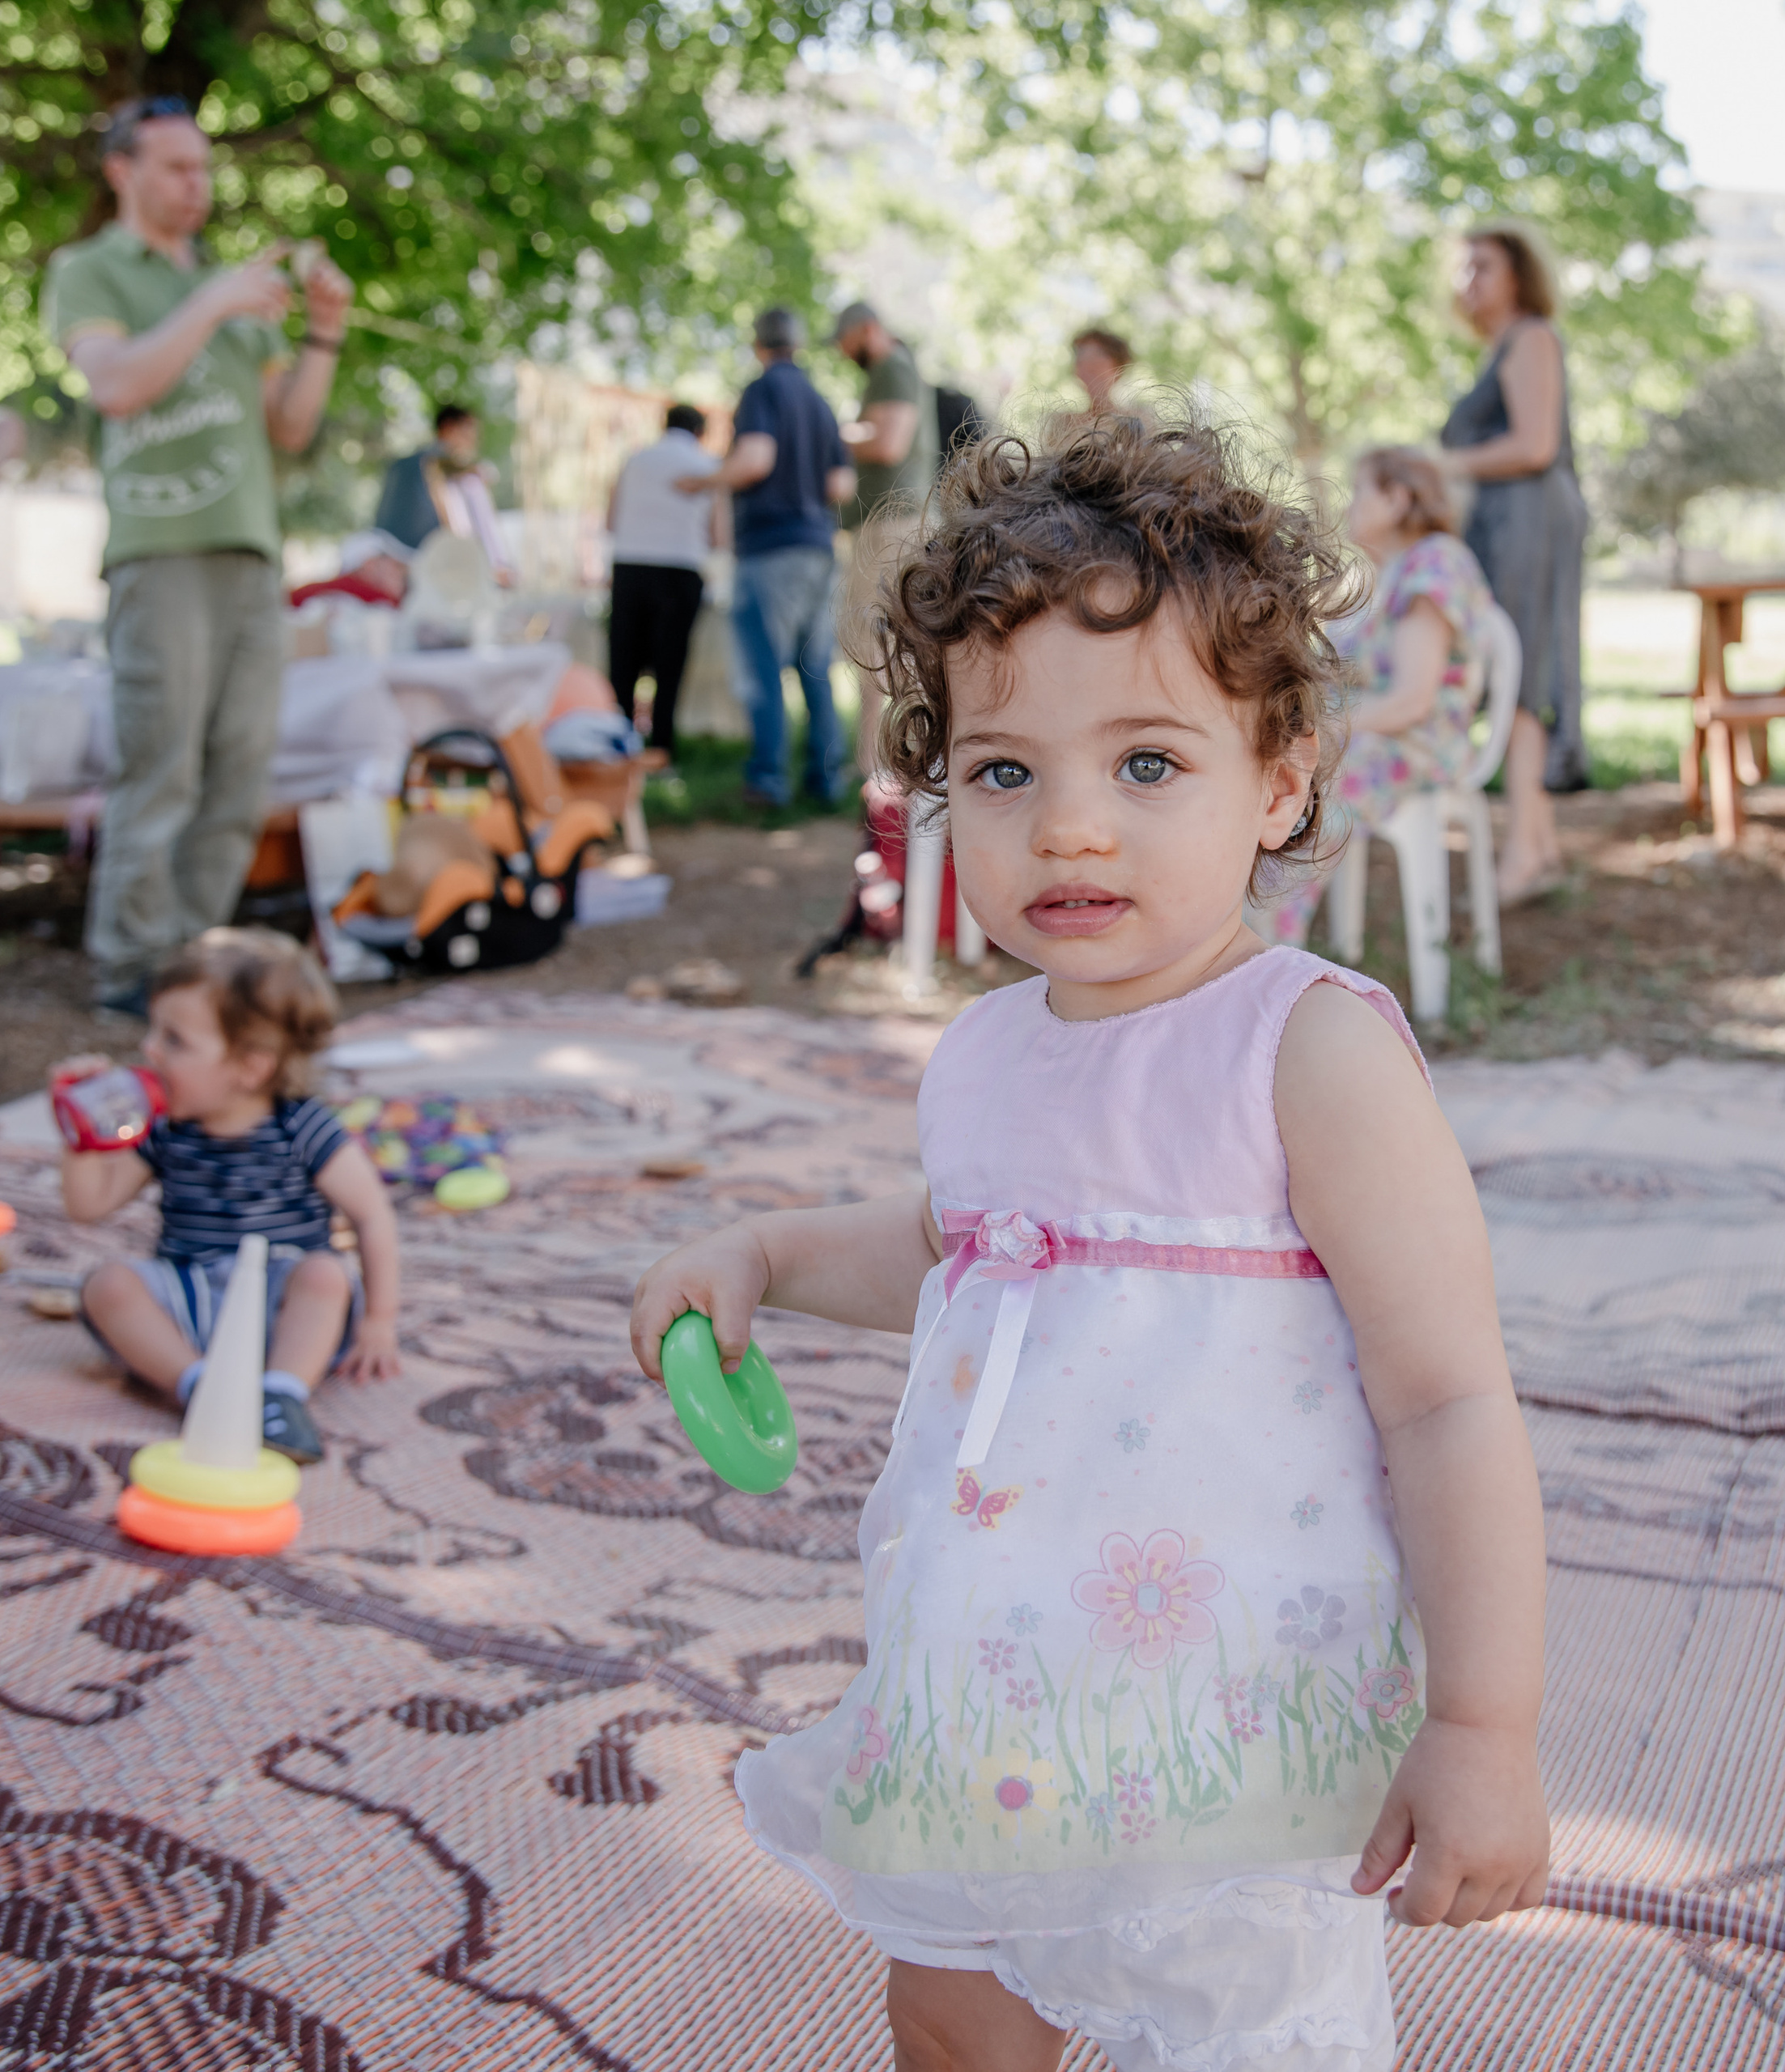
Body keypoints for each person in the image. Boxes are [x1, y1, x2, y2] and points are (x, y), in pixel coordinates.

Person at [629, 418, 1550, 2072]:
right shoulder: (989, 1050)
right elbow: (965, 1250)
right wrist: (767, 1251)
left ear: (1279, 781)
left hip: (1226, 1727)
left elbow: (1446, 1399)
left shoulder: (1306, 1049)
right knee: (948, 2014)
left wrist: (1481, 1722)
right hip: (990, 1695)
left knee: (1234, 2042)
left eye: (1144, 764)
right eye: (1004, 771)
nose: (1066, 826)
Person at [40, 95, 352, 1017]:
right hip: (159, 551)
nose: (197, 185)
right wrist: (210, 301)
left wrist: (323, 330)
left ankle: (194, 960)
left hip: (250, 553)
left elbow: (288, 426)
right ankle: (132, 966)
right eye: (177, 167)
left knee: (240, 769)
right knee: (162, 764)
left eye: (204, 167)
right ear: (122, 171)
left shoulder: (231, 288)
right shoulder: (91, 271)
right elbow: (117, 384)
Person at [50, 928, 401, 1468]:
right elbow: (88, 1206)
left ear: (250, 1066)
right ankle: (197, 1385)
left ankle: (281, 1395)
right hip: (191, 1301)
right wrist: (81, 1136)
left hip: (281, 1307)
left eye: (175, 1040)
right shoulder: (164, 1128)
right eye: (154, 1031)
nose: (150, 1050)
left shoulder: (302, 1126)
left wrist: (379, 1318)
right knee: (107, 1284)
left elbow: (372, 1215)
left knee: (325, 1274)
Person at [1266, 447, 1496, 953]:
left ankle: (1268, 943)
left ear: (1397, 499)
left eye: (1360, 490)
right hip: (1382, 738)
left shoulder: (1435, 562)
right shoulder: (1390, 574)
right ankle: (1254, 931)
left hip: (1416, 745)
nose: (1349, 506)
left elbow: (1412, 700)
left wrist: (1324, 729)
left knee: (1312, 775)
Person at [1439, 222, 1588, 903]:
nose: (1468, 280)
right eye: (1464, 267)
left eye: (1483, 267)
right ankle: (1542, 847)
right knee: (1517, 665)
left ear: (1519, 275)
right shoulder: (1501, 347)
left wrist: (1439, 466)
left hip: (1529, 523)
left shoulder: (1532, 338)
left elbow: (1534, 446)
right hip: (1504, 525)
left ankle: (1522, 854)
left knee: (1522, 672)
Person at [711, 308, 855, 808]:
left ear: (758, 345)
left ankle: (768, 781)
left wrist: (706, 479)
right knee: (816, 669)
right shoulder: (820, 400)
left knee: (762, 666)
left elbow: (755, 460)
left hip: (770, 547)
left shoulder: (761, 390)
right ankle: (826, 780)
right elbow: (841, 484)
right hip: (818, 546)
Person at [831, 300, 939, 773]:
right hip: (893, 523)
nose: (842, 351)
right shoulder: (897, 367)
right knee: (890, 649)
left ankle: (882, 773)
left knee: (880, 650)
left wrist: (833, 434)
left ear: (866, 330)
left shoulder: (892, 366)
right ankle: (886, 769)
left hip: (891, 527)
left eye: (844, 340)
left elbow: (888, 442)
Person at [606, 402, 725, 759]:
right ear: (700, 432)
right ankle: (661, 747)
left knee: (624, 661)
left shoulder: (634, 460)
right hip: (681, 568)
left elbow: (610, 520)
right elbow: (718, 535)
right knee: (669, 664)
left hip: (629, 565)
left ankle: (618, 745)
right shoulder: (709, 466)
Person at [374, 404, 515, 584]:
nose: (473, 442)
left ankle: (494, 565)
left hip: (390, 546)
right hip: (418, 553)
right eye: (468, 433)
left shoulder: (405, 464)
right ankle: (497, 565)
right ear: (448, 428)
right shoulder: (436, 462)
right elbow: (444, 479)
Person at [287, 529, 411, 609]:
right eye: (397, 565)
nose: (402, 572)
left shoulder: (314, 592)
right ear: (370, 565)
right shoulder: (380, 603)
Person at [1071, 325, 1136, 418]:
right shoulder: (1066, 421)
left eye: (1094, 369)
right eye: (1080, 363)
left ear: (1118, 370)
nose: (1086, 375)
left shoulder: (1136, 419)